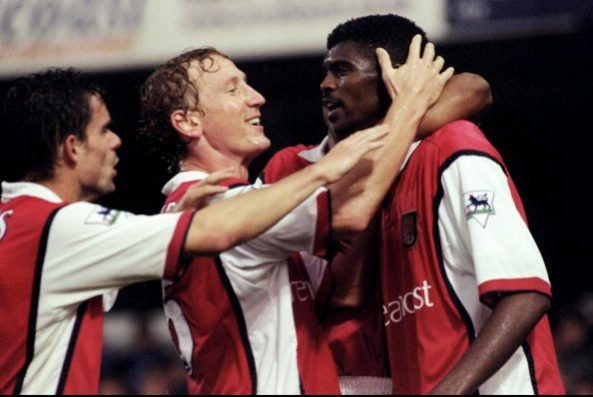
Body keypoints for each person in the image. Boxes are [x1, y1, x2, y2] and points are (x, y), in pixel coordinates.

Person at [0, 68, 385, 395]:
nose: (116, 141)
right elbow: (218, 230)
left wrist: (177, 216)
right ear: (72, 148)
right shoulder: (58, 228)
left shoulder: (18, 224)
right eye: (103, 130)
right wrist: (324, 170)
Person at [264, 14, 565, 394]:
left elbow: (526, 293)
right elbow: (346, 288)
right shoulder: (289, 169)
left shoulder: (451, 148)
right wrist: (398, 126)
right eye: (325, 71)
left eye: (341, 71)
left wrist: (403, 118)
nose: (325, 85)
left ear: (397, 76)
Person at [138, 38, 452, 394]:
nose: (256, 97)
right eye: (232, 88)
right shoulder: (214, 204)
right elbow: (352, 210)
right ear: (188, 121)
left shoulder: (212, 204)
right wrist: (409, 106)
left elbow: (341, 287)